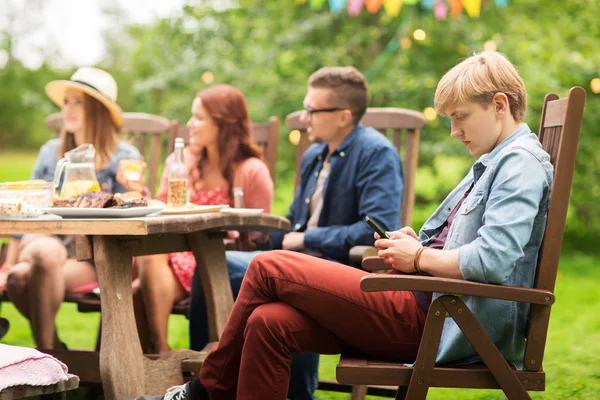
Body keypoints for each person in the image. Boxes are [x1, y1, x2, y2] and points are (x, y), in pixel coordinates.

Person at [138, 50, 554, 400]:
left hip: (444, 318)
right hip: (425, 303)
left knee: (268, 266)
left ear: (499, 105)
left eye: (460, 116)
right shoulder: (495, 159)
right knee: (269, 323)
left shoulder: (518, 164)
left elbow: (495, 259)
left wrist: (422, 257)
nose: (453, 130)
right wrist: (417, 245)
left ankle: (202, 392)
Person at [189, 67, 403, 399]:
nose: (304, 118)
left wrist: (305, 240)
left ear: (344, 115)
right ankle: (207, 377)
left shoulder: (376, 153)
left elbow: (376, 229)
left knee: (230, 268)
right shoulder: (315, 154)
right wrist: (257, 235)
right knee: (213, 262)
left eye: (312, 110)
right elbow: (293, 222)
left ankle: (217, 387)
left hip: (340, 270)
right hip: (295, 262)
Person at [4, 67, 142, 349]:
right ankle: (51, 354)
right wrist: (9, 259)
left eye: (79, 102)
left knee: (20, 279)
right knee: (39, 253)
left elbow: (133, 209)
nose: (68, 109)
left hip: (95, 257)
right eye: (67, 101)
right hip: (46, 243)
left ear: (99, 111)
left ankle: (49, 354)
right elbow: (26, 207)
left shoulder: (124, 157)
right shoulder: (50, 152)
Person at [132, 85, 274, 354]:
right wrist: (140, 191)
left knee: (136, 292)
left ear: (223, 123)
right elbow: (162, 205)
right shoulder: (181, 160)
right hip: (171, 254)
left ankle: (156, 360)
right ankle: (161, 354)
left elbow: (259, 232)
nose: (189, 125)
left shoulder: (251, 170)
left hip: (216, 258)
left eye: (198, 117)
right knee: (146, 264)